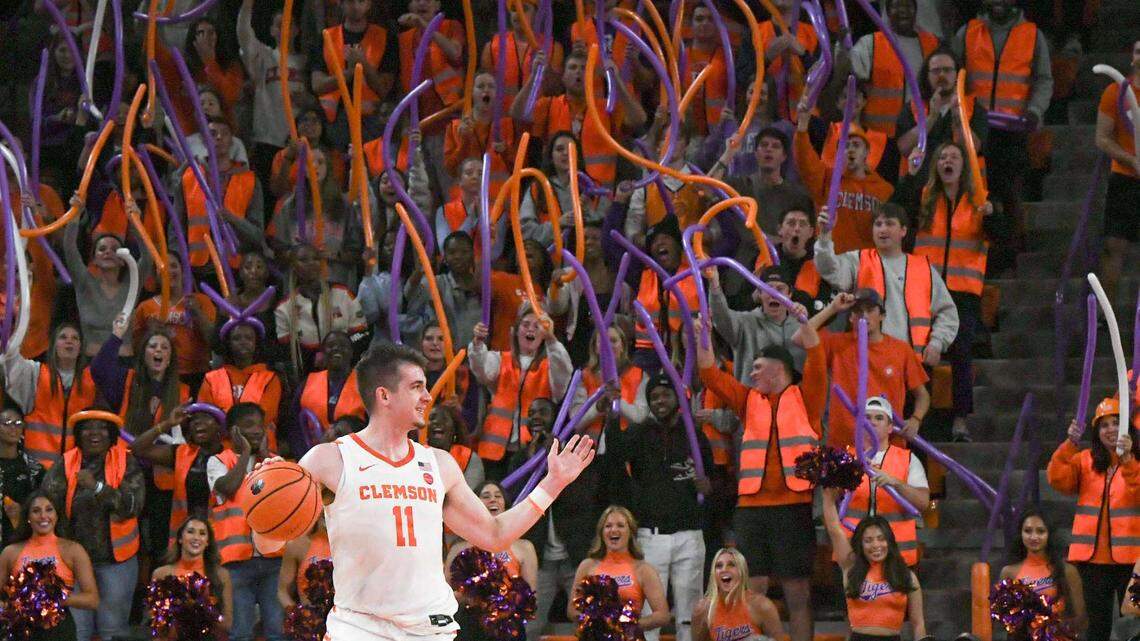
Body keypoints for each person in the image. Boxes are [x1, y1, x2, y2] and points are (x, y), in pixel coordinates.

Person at [255, 340, 595, 640]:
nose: (428, 397)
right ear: (384, 395)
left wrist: (552, 483)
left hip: (430, 628)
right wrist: (268, 501)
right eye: (417, 387)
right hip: (359, 629)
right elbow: (268, 542)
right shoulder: (331, 459)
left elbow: (494, 535)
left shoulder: (439, 464)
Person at [697, 333, 823, 641]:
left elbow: (817, 357)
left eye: (757, 367)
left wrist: (805, 322)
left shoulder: (806, 397)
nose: (751, 374)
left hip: (794, 507)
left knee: (798, 592)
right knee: (751, 591)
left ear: (778, 369)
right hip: (751, 510)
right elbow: (709, 374)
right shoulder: (747, 399)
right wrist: (704, 335)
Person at [894, 141, 995, 441]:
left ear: (965, 166)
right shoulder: (924, 196)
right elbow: (895, 207)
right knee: (919, 353)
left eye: (954, 157)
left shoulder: (979, 201)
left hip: (964, 290)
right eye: (942, 157)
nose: (947, 161)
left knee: (961, 352)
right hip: (926, 288)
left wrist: (993, 215)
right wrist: (910, 175)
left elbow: (1001, 236)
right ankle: (917, 417)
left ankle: (960, 419)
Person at [607, 373, 711, 641]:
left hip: (690, 534)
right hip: (650, 536)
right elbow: (615, 454)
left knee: (689, 615)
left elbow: (713, 479)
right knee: (649, 615)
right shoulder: (639, 433)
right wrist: (612, 414)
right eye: (653, 397)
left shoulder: (694, 435)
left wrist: (709, 487)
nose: (660, 401)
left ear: (678, 398)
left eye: (665, 395)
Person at [952, 0, 1053, 275]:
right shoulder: (968, 32)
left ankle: (1013, 251)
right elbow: (954, 71)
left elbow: (1044, 79)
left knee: (1011, 192)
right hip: (976, 127)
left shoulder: (1032, 35)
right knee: (976, 190)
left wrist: (1034, 111)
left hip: (1013, 128)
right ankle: (981, 253)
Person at [41, 412, 144, 641]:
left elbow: (132, 506)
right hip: (73, 564)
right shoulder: (65, 462)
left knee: (112, 632)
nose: (95, 433)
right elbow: (46, 505)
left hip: (117, 562)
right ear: (78, 434)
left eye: (102, 428)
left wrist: (97, 487)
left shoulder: (126, 462)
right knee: (78, 632)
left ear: (112, 434)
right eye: (87, 428)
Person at [814, 203, 960, 363]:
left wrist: (937, 343)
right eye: (878, 224)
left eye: (889, 223)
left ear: (903, 231)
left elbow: (948, 313)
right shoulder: (858, 260)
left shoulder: (924, 268)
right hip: (868, 362)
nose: (882, 229)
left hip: (913, 364)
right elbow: (828, 269)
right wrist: (825, 235)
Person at [1047, 397, 1140, 641]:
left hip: (1133, 562)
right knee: (1096, 628)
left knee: (1135, 626)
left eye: (1116, 423)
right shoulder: (1084, 460)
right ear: (1096, 432)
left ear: (1127, 427)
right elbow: (1057, 479)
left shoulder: (1137, 461)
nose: (1110, 429)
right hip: (1092, 562)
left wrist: (1128, 461)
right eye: (1104, 425)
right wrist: (1070, 444)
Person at [794, 290, 930, 448]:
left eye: (870, 310)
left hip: (887, 445)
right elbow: (799, 338)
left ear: (882, 315)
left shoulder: (901, 350)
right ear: (851, 317)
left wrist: (916, 419)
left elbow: (922, 395)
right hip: (843, 445)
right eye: (858, 311)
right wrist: (833, 308)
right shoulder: (837, 343)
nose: (864, 315)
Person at [511, 48, 647, 189]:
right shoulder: (550, 106)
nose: (578, 72)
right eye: (573, 67)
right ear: (563, 76)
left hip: (599, 194)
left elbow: (639, 119)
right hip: (560, 192)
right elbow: (517, 113)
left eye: (584, 68)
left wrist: (616, 79)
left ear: (592, 77)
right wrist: (534, 76)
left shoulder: (607, 108)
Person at [468, 306, 574, 480]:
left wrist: (552, 339)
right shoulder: (500, 360)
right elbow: (481, 369)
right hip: (494, 452)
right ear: (515, 331)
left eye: (537, 326)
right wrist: (478, 343)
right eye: (525, 324)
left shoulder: (550, 367)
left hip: (530, 450)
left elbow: (564, 371)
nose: (530, 329)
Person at [207, 403, 283, 641]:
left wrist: (264, 457)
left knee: (277, 631)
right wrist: (246, 454)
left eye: (260, 425)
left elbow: (285, 498)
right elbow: (228, 488)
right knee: (241, 632)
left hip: (273, 560)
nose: (257, 430)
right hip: (236, 563)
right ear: (233, 431)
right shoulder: (219, 461)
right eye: (249, 425)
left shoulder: (275, 460)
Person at [822, 487, 927, 640]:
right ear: (861, 544)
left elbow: (918, 623)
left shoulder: (906, 575)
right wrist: (827, 496)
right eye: (868, 540)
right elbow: (834, 530)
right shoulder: (851, 567)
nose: (876, 545)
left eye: (881, 539)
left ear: (889, 541)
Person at [839, 396, 930, 567]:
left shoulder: (908, 459)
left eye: (879, 418)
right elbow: (829, 503)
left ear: (890, 427)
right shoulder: (845, 459)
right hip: (854, 554)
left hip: (896, 556)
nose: (872, 422)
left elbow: (923, 503)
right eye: (867, 417)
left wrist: (895, 483)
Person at [0, 491, 100, 640]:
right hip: (21, 630)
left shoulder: (73, 550)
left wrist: (53, 598)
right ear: (27, 517)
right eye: (36, 511)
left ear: (57, 515)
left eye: (49, 510)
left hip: (59, 631)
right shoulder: (10, 552)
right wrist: (11, 606)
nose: (43, 516)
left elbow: (92, 599)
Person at [794, 110, 894, 254]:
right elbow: (804, 159)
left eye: (856, 145)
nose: (850, 150)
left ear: (867, 152)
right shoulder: (826, 179)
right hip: (832, 261)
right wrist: (802, 127)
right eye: (845, 146)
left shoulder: (884, 190)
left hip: (868, 263)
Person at [237, 0, 307, 202]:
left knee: (296, 200)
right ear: (271, 30)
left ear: (297, 30)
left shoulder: (305, 63)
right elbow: (244, 33)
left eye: (289, 24)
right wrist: (248, 5)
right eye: (279, 25)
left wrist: (308, 100)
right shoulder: (264, 57)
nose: (284, 29)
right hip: (267, 140)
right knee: (266, 201)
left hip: (297, 142)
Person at [0, 323, 97, 468]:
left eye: (75, 338)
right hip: (38, 470)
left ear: (80, 347)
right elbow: (10, 358)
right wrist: (18, 320)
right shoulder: (34, 373)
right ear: (53, 345)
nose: (69, 341)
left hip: (76, 469)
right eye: (63, 337)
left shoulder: (92, 379)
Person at [567, 506, 671, 635]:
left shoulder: (644, 570)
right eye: (608, 526)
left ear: (631, 532)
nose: (614, 530)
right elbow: (572, 610)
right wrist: (595, 622)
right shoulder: (587, 566)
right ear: (601, 532)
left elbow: (662, 615)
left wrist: (628, 625)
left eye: (620, 525)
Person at [131, 405, 225, 546]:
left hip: (219, 540)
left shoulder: (231, 457)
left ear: (219, 426)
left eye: (206, 418)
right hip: (185, 539)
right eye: (193, 420)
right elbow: (138, 449)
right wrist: (168, 424)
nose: (198, 422)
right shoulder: (182, 453)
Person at [844, 0, 940, 138]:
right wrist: (841, 47)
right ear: (888, 12)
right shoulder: (871, 43)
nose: (903, 10)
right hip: (881, 137)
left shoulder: (933, 43)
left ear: (915, 11)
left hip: (923, 132)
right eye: (897, 5)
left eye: (907, 5)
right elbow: (850, 73)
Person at [896, 47, 990, 186]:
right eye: (936, 71)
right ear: (927, 76)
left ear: (957, 74)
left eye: (947, 70)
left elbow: (971, 151)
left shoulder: (974, 108)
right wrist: (931, 118)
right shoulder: (912, 107)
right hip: (918, 188)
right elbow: (904, 148)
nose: (941, 75)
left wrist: (957, 118)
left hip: (962, 189)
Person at [275, 243, 368, 376]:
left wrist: (339, 350)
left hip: (348, 370)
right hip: (307, 374)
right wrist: (315, 357)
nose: (312, 263)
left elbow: (363, 334)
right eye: (304, 260)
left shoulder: (342, 293)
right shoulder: (284, 308)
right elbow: (286, 351)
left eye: (316, 259)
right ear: (293, 267)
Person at [1094, 39, 1140, 307]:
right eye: (1138, 51)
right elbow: (1102, 137)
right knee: (1114, 247)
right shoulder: (1116, 92)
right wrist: (1131, 160)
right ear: (1132, 57)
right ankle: (1105, 314)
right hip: (1125, 178)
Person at [313, 0, 397, 145]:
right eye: (351, 1)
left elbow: (384, 89)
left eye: (361, 1)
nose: (356, 6)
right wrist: (351, 72)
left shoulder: (384, 37)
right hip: (334, 121)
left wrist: (363, 63)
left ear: (369, 4)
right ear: (341, 4)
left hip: (371, 122)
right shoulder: (326, 37)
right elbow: (317, 85)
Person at [708, 266, 807, 382]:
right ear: (759, 293)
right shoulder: (744, 323)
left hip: (793, 393)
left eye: (780, 289)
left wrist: (806, 325)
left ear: (790, 294)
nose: (774, 294)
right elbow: (720, 316)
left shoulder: (801, 325)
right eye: (768, 288)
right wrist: (714, 284)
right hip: (751, 393)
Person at [131, 257, 218, 386]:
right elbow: (136, 349)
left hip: (196, 373)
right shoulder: (144, 307)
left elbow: (213, 340)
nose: (169, 271)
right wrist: (150, 334)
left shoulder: (201, 301)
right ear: (155, 276)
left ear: (183, 271)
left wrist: (197, 313)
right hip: (159, 374)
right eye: (162, 267)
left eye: (173, 266)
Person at [198, 322, 285, 450]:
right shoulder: (211, 378)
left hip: (260, 448)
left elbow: (265, 418)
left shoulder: (270, 378)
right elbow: (205, 416)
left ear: (256, 343)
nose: (243, 342)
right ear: (228, 343)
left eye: (249, 338)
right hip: (220, 449)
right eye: (236, 338)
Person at [999, 509, 1086, 635]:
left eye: (1040, 531)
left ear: (1049, 534)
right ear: (1020, 534)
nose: (1033, 537)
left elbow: (1081, 617)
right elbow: (1003, 617)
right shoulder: (1008, 572)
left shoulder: (1068, 571)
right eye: (1028, 531)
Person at [152, 516, 234, 632]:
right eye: (190, 532)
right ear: (180, 538)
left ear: (207, 542)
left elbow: (227, 624)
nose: (196, 538)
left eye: (202, 533)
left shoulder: (221, 575)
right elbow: (157, 623)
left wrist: (204, 610)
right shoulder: (161, 574)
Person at [691, 547, 784, 641]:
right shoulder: (703, 610)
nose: (724, 569)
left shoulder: (761, 605)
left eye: (731, 565)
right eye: (719, 566)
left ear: (742, 571)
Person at [296, 331, 367, 449]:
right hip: (313, 452)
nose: (336, 348)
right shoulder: (307, 383)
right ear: (323, 353)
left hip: (354, 452)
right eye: (330, 345)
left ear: (351, 352)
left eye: (343, 345)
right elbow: (294, 425)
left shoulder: (366, 385)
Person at [0, 405, 45, 549]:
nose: (13, 428)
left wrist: (23, 511)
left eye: (18, 423)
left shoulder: (34, 469)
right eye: (7, 423)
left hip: (22, 541)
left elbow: (44, 504)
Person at [277, 515, 330, 609]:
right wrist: (299, 615)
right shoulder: (297, 544)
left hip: (348, 614)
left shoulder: (351, 544)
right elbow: (282, 591)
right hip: (313, 612)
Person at [427, 403, 484, 491]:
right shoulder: (416, 454)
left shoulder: (469, 458)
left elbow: (470, 493)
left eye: (444, 419)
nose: (437, 422)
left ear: (454, 429)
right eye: (432, 418)